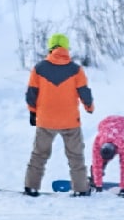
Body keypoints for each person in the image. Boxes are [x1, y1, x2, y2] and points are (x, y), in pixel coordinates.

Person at [22, 32, 94, 197]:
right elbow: (84, 92)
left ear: (51, 48)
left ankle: (31, 187)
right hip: (70, 121)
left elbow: (31, 94)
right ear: (66, 48)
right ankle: (81, 189)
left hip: (46, 120)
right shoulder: (76, 70)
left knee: (39, 154)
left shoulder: (39, 69)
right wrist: (89, 107)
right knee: (75, 157)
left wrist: (33, 113)